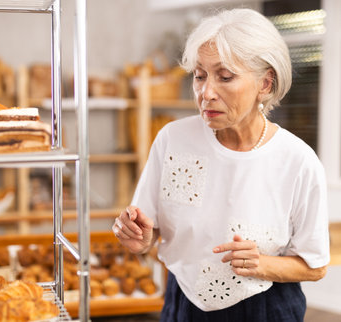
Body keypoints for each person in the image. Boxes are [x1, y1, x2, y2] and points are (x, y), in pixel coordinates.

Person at [112, 8, 330, 322]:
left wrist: (262, 264)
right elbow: (149, 230)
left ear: (265, 84)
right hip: (182, 303)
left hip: (266, 308)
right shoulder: (173, 139)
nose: (206, 92)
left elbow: (316, 265)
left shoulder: (298, 161)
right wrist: (139, 237)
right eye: (200, 76)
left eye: (225, 77)